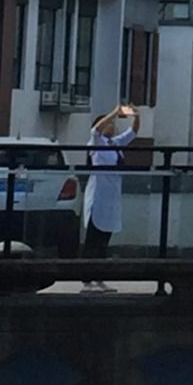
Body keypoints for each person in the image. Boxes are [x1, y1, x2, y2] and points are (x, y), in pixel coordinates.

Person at [81, 103, 138, 290]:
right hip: (98, 194)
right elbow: (95, 130)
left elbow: (132, 133)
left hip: (112, 195)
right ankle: (87, 279)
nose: (112, 127)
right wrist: (114, 112)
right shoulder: (96, 143)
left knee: (104, 239)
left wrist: (136, 116)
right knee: (93, 239)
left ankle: (99, 277)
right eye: (109, 124)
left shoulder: (115, 144)